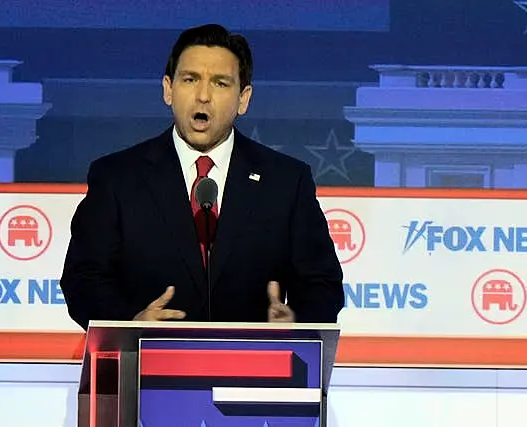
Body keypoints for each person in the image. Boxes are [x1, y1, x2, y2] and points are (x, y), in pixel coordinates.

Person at [59, 23, 344, 329]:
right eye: (190, 79)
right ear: (168, 89)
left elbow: (322, 283)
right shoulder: (116, 177)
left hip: (252, 369)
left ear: (243, 98)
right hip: (145, 368)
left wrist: (296, 322)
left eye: (220, 83)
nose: (203, 96)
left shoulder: (286, 181)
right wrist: (129, 323)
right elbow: (83, 278)